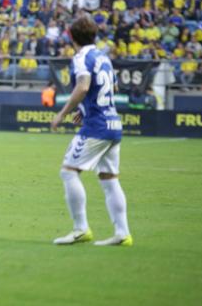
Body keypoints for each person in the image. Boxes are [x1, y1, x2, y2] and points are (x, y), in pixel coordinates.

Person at [50, 16, 132, 246]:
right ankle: (122, 232)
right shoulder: (103, 57)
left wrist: (63, 112)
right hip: (113, 123)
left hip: (96, 126)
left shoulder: (81, 57)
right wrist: (86, 110)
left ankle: (80, 228)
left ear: (71, 36)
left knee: (68, 171)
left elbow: (84, 85)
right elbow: (112, 87)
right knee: (109, 179)